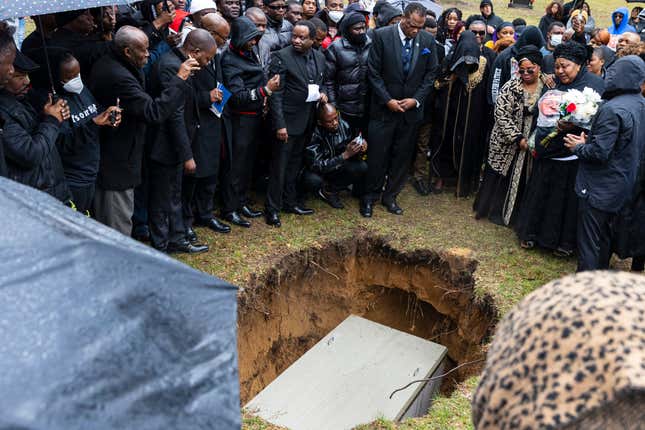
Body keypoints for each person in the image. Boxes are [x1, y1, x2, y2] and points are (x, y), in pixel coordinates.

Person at [89, 26, 196, 236]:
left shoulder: (121, 62)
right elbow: (153, 112)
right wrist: (179, 79)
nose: (148, 54)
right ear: (128, 51)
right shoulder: (117, 75)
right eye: (143, 50)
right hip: (115, 164)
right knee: (117, 227)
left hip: (127, 155)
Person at [516, 42, 605, 257]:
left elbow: (599, 119)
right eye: (556, 67)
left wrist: (575, 125)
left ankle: (563, 242)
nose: (560, 71)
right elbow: (544, 110)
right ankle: (532, 233)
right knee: (541, 191)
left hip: (573, 152)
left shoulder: (594, 85)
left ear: (579, 65)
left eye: (565, 66)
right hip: (548, 148)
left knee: (564, 199)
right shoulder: (553, 82)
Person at [563, 56, 645, 271]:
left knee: (589, 243)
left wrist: (578, 147)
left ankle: (584, 289)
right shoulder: (640, 103)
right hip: (624, 184)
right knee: (604, 238)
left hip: (600, 186)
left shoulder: (612, 109)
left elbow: (599, 153)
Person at [361, 2, 438, 217]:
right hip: (383, 110)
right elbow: (373, 73)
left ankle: (391, 196)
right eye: (412, 26)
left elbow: (431, 74)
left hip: (410, 113)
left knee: (402, 157)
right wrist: (387, 100)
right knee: (377, 155)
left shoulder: (427, 41)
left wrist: (416, 100)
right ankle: (370, 197)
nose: (416, 31)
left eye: (420, 27)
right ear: (403, 19)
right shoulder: (381, 36)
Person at [146, 29, 216, 254]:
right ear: (194, 51)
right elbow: (173, 114)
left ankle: (177, 238)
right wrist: (187, 155)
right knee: (162, 198)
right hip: (164, 143)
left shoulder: (186, 63)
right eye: (208, 57)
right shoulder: (171, 66)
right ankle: (161, 245)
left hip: (179, 141)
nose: (209, 62)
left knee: (174, 194)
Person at [265, 20, 327, 227]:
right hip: (287, 121)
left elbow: (320, 81)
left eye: (302, 37)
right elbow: (276, 95)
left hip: (307, 120)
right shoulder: (281, 57)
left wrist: (323, 93)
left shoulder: (319, 57)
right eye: (294, 36)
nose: (297, 40)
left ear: (312, 39)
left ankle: (289, 202)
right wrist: (280, 125)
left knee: (295, 165)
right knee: (279, 167)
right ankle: (272, 209)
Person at [474, 46, 544, 226]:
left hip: (532, 144)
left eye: (531, 69)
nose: (526, 73)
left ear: (539, 67)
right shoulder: (510, 87)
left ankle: (516, 216)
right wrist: (517, 137)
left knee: (523, 180)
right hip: (507, 143)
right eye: (522, 70)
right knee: (500, 178)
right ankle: (494, 212)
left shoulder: (547, 86)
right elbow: (501, 115)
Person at [222, 16, 281, 226]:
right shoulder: (230, 60)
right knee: (236, 166)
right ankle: (229, 209)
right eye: (250, 39)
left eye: (256, 38)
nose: (254, 42)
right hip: (240, 121)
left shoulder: (249, 51)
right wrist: (265, 91)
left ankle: (241, 201)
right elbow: (237, 97)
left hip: (255, 118)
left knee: (248, 164)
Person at [184, 14, 235, 237]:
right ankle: (186, 221)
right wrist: (207, 97)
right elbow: (182, 95)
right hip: (196, 123)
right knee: (194, 176)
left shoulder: (216, 54)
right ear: (211, 34)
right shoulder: (189, 58)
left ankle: (206, 214)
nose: (226, 41)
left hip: (215, 120)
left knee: (211, 172)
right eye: (223, 37)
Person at [53, 52, 122, 215]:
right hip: (73, 179)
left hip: (92, 172)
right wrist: (93, 124)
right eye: (70, 77)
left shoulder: (83, 91)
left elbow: (95, 114)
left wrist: (108, 117)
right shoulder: (57, 105)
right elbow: (63, 143)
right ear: (58, 79)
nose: (76, 80)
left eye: (78, 74)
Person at [0, 50, 70, 202]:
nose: (26, 81)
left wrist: (57, 115)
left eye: (26, 75)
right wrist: (52, 121)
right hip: (31, 199)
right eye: (19, 76)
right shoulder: (4, 113)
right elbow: (31, 154)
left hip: (52, 191)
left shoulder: (27, 99)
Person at [431, 30, 491, 198]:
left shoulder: (484, 63)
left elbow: (486, 90)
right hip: (449, 114)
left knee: (468, 146)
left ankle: (464, 180)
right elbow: (437, 83)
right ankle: (441, 177)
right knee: (446, 143)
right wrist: (451, 79)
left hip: (472, 115)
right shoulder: (449, 60)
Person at [302, 103, 367, 208]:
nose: (335, 123)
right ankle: (321, 189)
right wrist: (344, 155)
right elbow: (316, 165)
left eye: (336, 117)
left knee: (361, 166)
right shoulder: (313, 134)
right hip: (319, 170)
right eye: (330, 121)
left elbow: (350, 152)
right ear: (320, 122)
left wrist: (359, 148)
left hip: (336, 166)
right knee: (313, 180)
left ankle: (330, 190)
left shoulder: (344, 125)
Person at [324, 12, 371, 137]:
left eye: (363, 28)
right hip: (345, 108)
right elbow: (328, 80)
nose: (361, 31)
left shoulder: (371, 44)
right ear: (347, 30)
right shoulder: (335, 48)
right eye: (357, 29)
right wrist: (333, 105)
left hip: (368, 106)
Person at [489, 25, 544, 105]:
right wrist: (496, 106)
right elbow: (495, 84)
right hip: (507, 107)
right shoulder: (505, 57)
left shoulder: (540, 54)